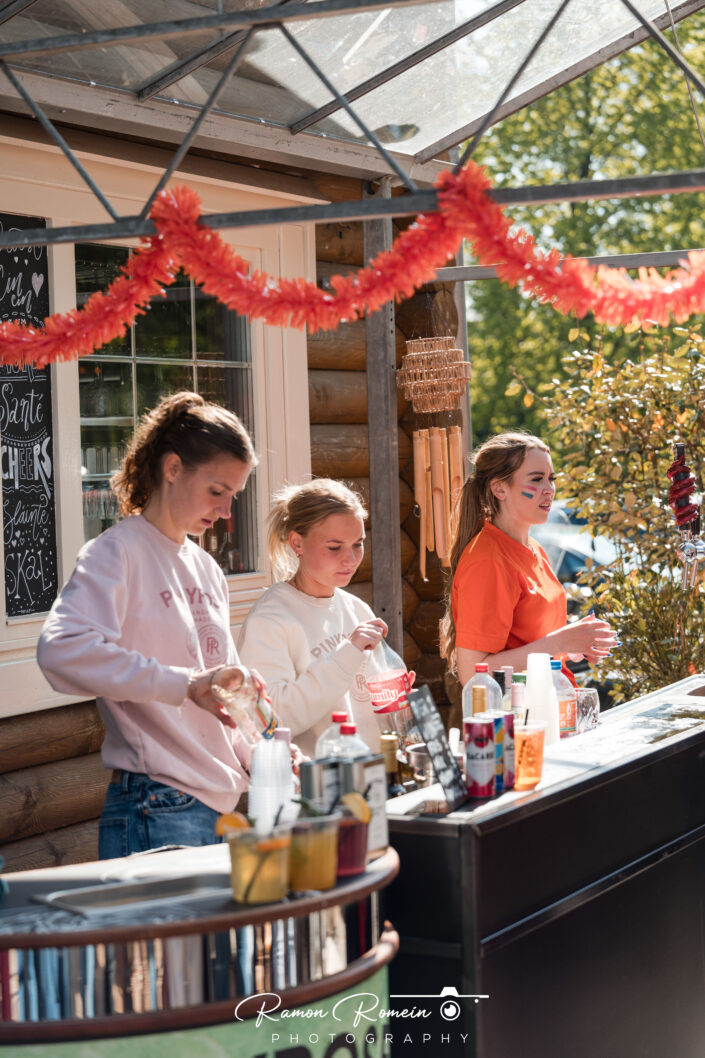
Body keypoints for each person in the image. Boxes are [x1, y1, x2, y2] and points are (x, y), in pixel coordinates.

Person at [38, 391, 259, 859]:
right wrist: (186, 684)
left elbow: (221, 696)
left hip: (222, 811)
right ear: (173, 468)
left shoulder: (207, 569)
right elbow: (60, 650)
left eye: (233, 496)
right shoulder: (115, 552)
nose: (226, 511)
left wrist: (267, 751)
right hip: (156, 806)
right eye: (217, 491)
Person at [441, 431, 617, 688]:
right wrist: (559, 642)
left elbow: (531, 644)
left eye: (551, 479)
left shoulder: (533, 548)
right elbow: (474, 675)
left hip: (550, 702)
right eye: (536, 479)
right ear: (499, 489)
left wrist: (573, 644)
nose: (549, 490)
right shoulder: (487, 561)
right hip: (517, 712)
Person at [237, 479, 389, 758]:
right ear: (297, 543)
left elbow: (364, 705)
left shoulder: (357, 609)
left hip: (374, 775)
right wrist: (347, 654)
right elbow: (270, 721)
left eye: (358, 544)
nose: (350, 559)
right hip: (316, 781)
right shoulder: (269, 620)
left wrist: (393, 696)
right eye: (334, 547)